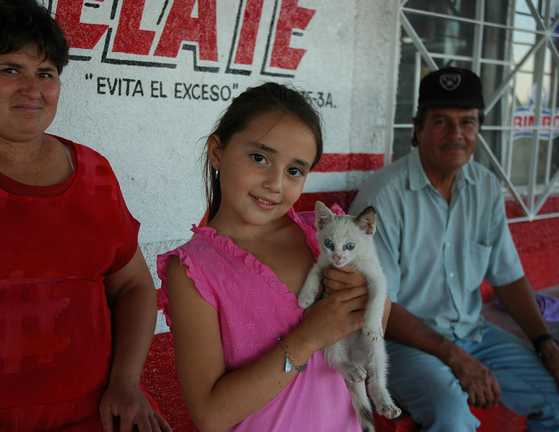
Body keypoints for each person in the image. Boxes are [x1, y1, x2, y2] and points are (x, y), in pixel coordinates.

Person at [0, 1, 170, 431]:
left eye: (46, 74)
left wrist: (126, 384)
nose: (33, 89)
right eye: (11, 70)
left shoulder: (94, 173)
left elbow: (134, 286)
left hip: (99, 416)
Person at [157, 82, 391, 432]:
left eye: (295, 170)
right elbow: (210, 415)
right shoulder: (194, 270)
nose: (275, 183)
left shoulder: (325, 236)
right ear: (217, 152)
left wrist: (365, 296)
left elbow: (381, 321)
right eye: (259, 158)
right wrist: (308, 337)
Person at [349, 66, 559, 431]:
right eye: (442, 122)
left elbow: (507, 275)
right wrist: (455, 358)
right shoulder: (385, 196)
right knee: (451, 414)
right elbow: (379, 303)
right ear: (418, 129)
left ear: (478, 129)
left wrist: (544, 341)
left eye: (468, 122)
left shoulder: (487, 188)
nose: (456, 134)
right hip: (401, 342)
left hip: (473, 333)